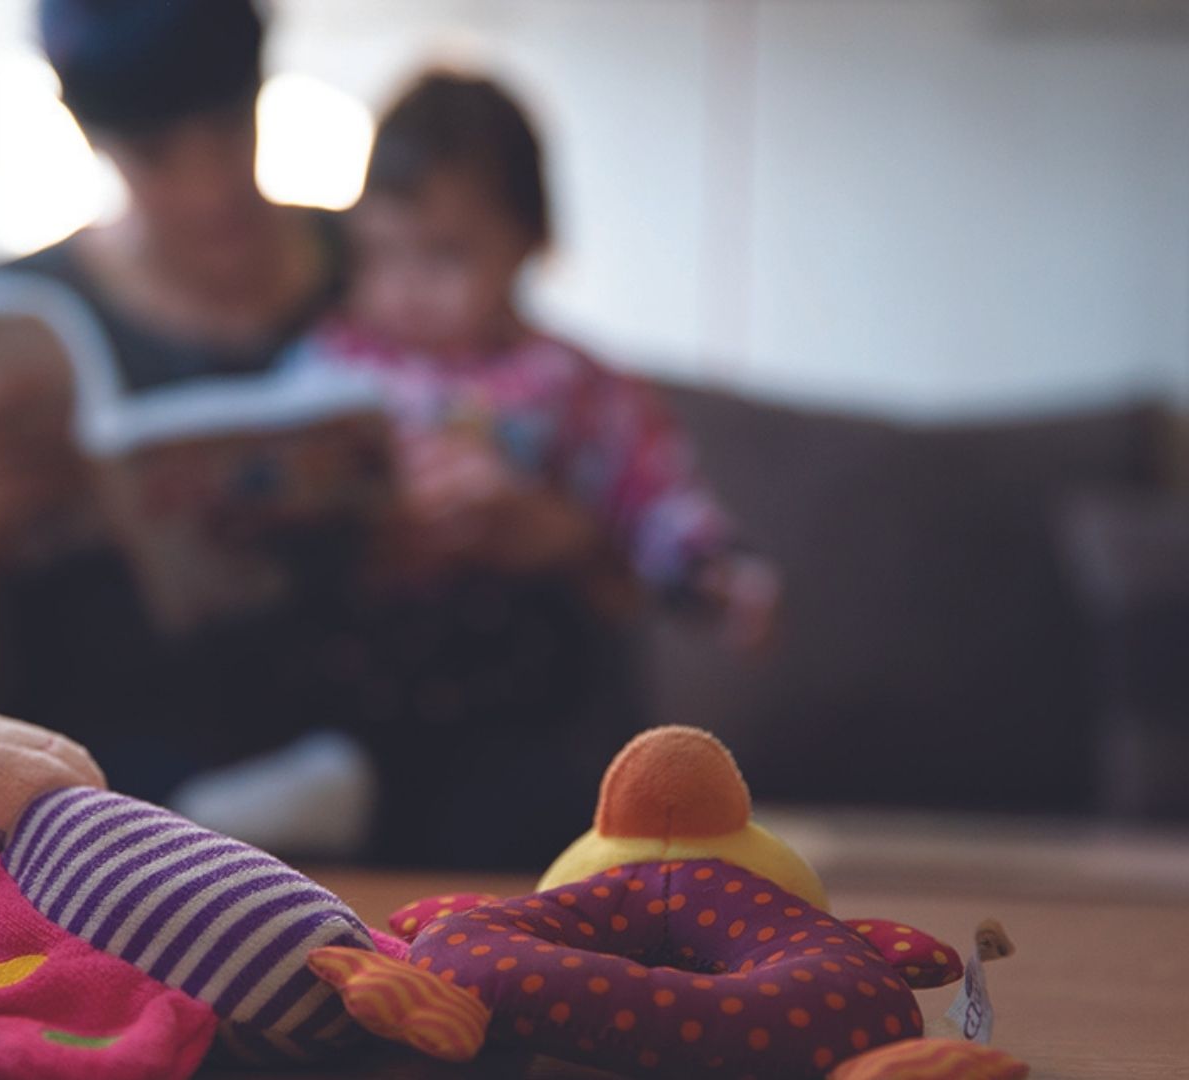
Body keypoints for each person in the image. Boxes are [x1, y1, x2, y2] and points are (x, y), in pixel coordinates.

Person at [223, 70, 780, 866]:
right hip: (359, 666)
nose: (406, 287)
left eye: (445, 256)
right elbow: (262, 463)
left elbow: (656, 495)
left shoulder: (573, 383)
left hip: (515, 679)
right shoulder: (334, 361)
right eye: (382, 254)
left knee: (535, 713)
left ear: (529, 240)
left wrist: (714, 569)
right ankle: (322, 784)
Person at [0, 0, 356, 806]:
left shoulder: (393, 271)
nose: (210, 188)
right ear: (94, 142)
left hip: (384, 790)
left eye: (227, 127)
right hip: (100, 826)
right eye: (155, 154)